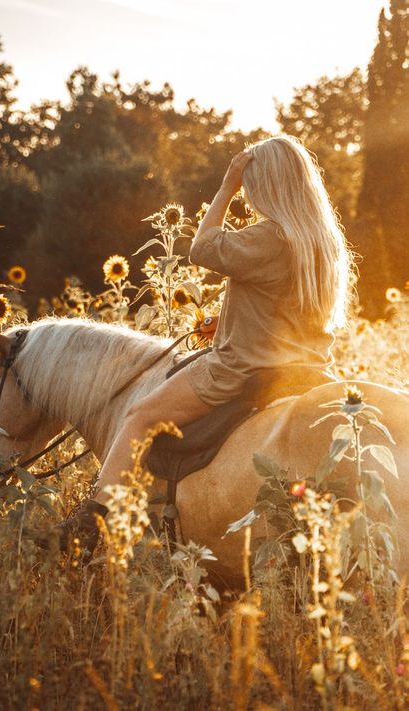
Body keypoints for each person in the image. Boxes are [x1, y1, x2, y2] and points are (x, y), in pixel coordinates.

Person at [51, 134, 356, 552]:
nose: (247, 195)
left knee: (140, 415)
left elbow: (201, 248)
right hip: (307, 370)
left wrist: (226, 184)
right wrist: (228, 320)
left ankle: (89, 529)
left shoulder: (269, 236)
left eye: (250, 185)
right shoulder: (322, 243)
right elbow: (286, 308)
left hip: (242, 370)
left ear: (265, 184)